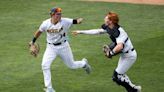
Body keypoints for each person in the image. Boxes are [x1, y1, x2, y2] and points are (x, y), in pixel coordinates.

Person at [72, 11, 141, 92]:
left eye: (106, 17)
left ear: (110, 21)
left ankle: (134, 90)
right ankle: (134, 89)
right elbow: (97, 31)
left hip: (129, 56)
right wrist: (81, 32)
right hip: (124, 55)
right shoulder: (109, 28)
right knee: (118, 76)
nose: (104, 18)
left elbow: (120, 46)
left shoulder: (119, 32)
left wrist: (111, 53)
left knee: (117, 76)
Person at [29, 7, 91, 92]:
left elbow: (75, 21)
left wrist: (80, 20)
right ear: (52, 15)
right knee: (45, 65)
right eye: (58, 14)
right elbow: (39, 32)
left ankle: (84, 63)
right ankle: (49, 88)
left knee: (71, 65)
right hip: (51, 48)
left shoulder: (65, 21)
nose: (60, 15)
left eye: (60, 14)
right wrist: (32, 42)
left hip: (64, 47)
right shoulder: (45, 23)